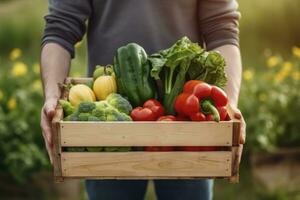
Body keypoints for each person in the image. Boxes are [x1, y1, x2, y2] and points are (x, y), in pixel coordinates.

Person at [40, 0, 246, 200]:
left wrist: (229, 105)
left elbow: (222, 30)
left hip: (189, 120)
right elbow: (60, 28)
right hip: (107, 123)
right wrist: (51, 97)